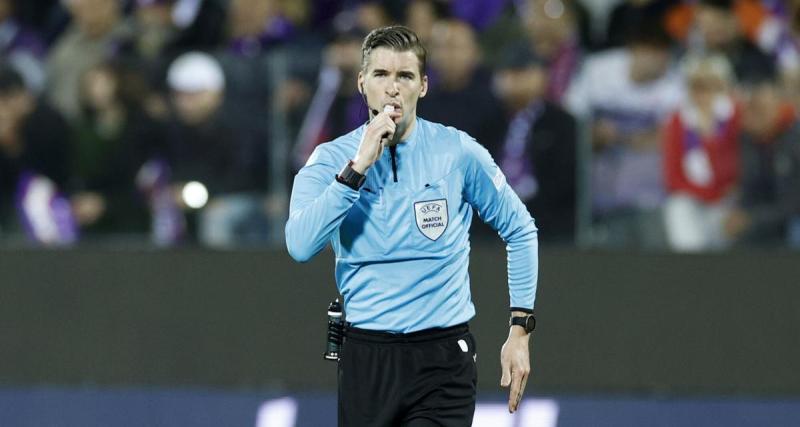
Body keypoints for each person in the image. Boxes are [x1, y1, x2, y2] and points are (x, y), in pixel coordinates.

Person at [285, 26, 538, 425]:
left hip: (441, 359)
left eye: (404, 76)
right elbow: (299, 245)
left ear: (422, 86)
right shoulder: (331, 159)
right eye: (381, 75)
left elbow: (520, 229)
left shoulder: (456, 151)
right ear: (362, 83)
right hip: (366, 359)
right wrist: (357, 169)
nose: (392, 88)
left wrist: (520, 329)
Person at [494, 43, 577, 245]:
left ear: (542, 76)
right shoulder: (489, 123)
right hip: (493, 227)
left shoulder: (561, 123)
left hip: (548, 229)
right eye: (508, 72)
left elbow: (565, 182)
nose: (514, 79)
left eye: (522, 71)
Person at [663, 54, 740, 252]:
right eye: (698, 87)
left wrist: (712, 134)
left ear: (725, 87)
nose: (705, 94)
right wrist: (707, 195)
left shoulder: (737, 116)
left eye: (712, 86)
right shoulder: (678, 121)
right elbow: (672, 177)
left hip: (730, 198)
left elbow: (740, 164)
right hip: (695, 198)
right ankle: (688, 269)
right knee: (677, 206)